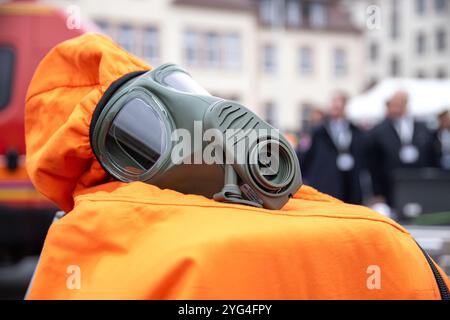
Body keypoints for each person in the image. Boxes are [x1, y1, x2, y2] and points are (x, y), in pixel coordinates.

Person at [24, 34, 449, 299]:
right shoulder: (380, 238)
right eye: (138, 131)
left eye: (183, 89)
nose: (205, 117)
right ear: (108, 164)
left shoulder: (84, 249)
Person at [366, 91, 433, 207]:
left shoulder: (422, 128)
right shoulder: (378, 131)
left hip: (418, 184)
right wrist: (377, 193)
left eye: (400, 104)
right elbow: (373, 165)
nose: (396, 108)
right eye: (393, 105)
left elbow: (430, 155)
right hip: (389, 186)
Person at [301, 93, 365, 204]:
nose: (336, 109)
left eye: (339, 106)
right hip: (328, 180)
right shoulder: (320, 131)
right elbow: (308, 155)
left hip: (349, 179)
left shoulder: (354, 130)